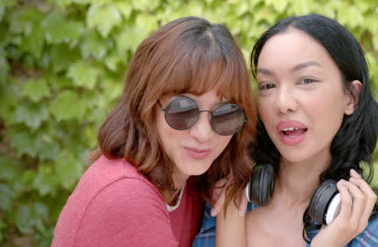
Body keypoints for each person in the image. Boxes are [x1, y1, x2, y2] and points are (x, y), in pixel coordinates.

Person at [193, 14, 378, 246]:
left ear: (350, 97)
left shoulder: (373, 240)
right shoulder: (218, 197)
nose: (283, 103)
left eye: (306, 80)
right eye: (268, 85)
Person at [51, 16, 257, 247]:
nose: (203, 133)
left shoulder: (186, 181)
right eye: (183, 110)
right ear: (146, 105)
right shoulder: (126, 195)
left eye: (225, 114)